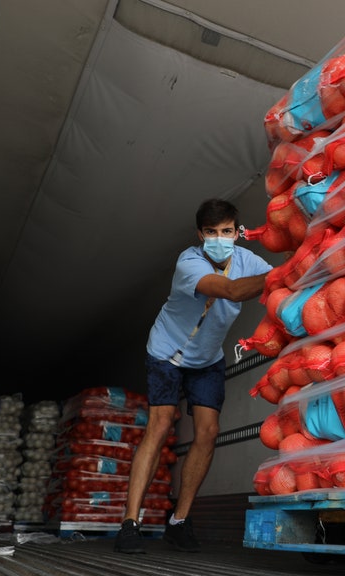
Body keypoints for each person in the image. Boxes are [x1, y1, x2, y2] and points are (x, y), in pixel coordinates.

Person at [114, 198, 272, 554]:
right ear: (200, 234)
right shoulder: (189, 262)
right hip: (166, 352)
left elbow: (276, 285)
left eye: (227, 231)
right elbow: (232, 290)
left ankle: (179, 522)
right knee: (161, 423)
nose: (220, 238)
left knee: (209, 432)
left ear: (237, 231)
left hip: (207, 359)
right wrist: (285, 273)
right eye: (212, 232)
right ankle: (130, 524)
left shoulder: (249, 261)